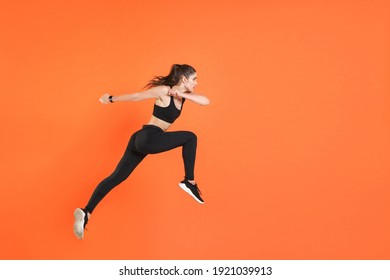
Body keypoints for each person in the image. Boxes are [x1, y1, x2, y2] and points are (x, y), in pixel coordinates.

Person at [73, 64, 210, 240]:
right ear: (184, 79)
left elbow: (206, 101)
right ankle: (189, 181)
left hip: (141, 139)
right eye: (194, 79)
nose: (196, 83)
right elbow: (138, 96)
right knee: (190, 137)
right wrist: (111, 98)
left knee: (117, 177)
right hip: (149, 138)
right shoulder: (163, 90)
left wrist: (181, 94)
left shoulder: (183, 97)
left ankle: (86, 212)